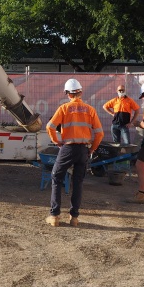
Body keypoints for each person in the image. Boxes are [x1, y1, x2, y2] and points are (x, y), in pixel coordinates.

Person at [45, 78, 104, 227]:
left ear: (68, 94)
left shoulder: (64, 108)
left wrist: (56, 142)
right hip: (83, 150)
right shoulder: (90, 110)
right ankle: (74, 218)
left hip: (68, 148)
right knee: (78, 182)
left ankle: (54, 216)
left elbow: (50, 127)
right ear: (81, 92)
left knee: (56, 177)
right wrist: (92, 149)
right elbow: (100, 133)